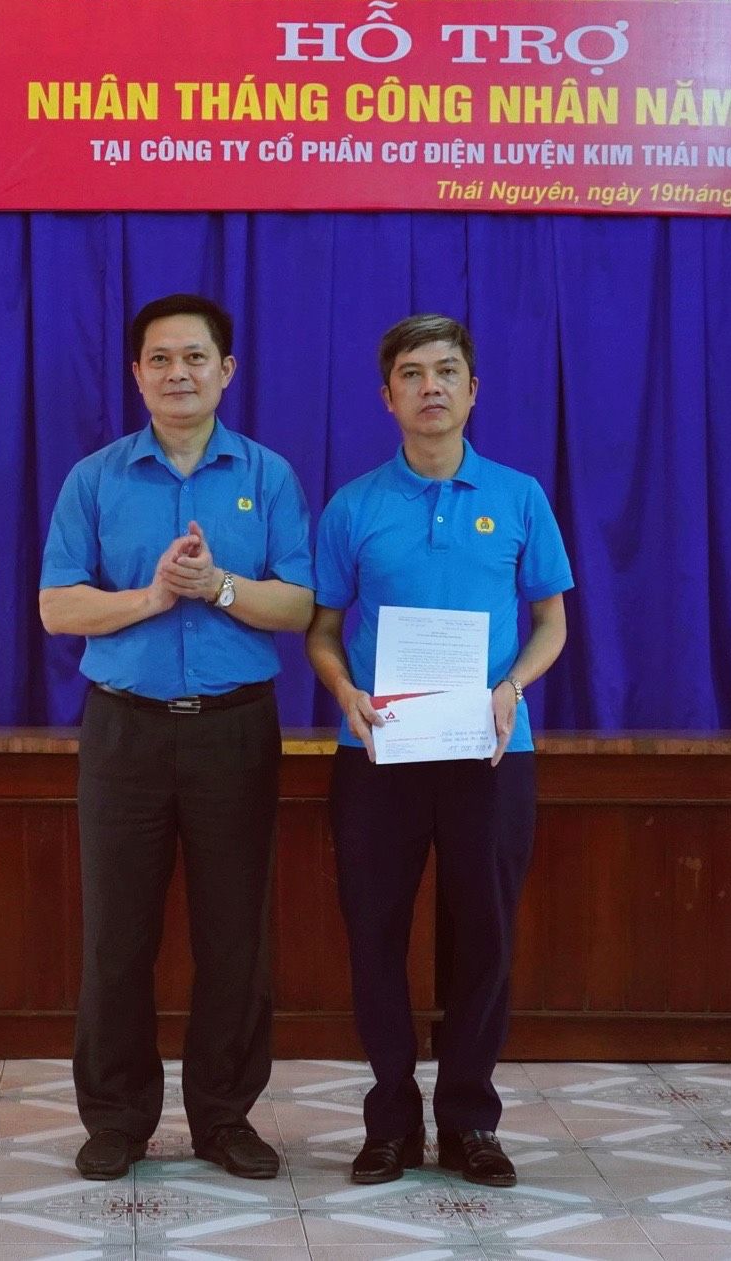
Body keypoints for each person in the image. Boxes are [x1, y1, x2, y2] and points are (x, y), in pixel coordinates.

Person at [40, 294, 315, 1182]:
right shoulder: (95, 479)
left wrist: (217, 586)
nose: (177, 374)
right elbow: (57, 607)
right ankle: (117, 1119)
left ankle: (224, 1118)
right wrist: (155, 597)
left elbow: (299, 605)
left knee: (235, 936)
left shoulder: (269, 476)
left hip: (234, 732)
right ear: (136, 375)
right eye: (159, 359)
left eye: (195, 357)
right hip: (125, 731)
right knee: (116, 935)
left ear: (226, 371)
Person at [305, 313, 571, 1188]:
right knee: (374, 936)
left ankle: (468, 1122)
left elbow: (551, 623)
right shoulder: (352, 506)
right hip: (378, 754)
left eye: (446, 371)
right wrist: (343, 691)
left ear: (472, 389)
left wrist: (512, 685)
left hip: (489, 752)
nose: (430, 387)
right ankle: (389, 1122)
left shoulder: (519, 497)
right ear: (387, 397)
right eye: (412, 374)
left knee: (483, 938)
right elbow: (322, 630)